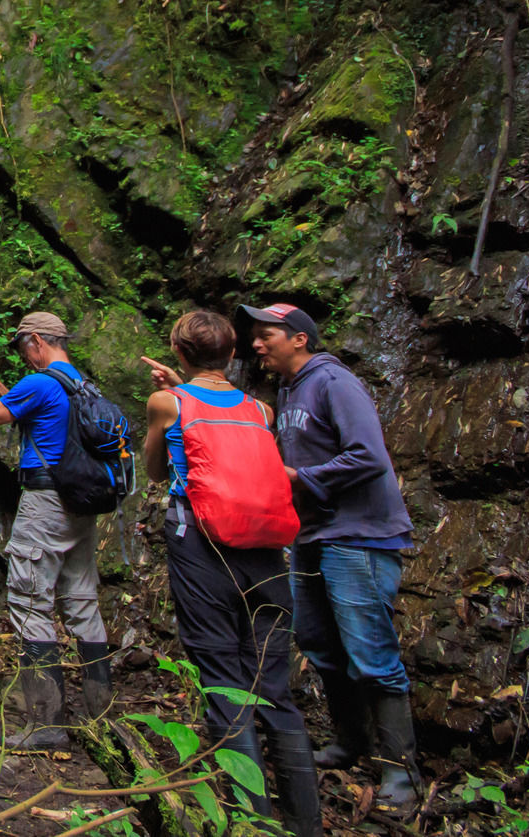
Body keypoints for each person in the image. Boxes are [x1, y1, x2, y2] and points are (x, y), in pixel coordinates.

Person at [141, 311, 321, 836]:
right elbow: (221, 416)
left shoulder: (165, 403)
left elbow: (157, 471)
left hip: (201, 545)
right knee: (273, 683)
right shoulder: (260, 409)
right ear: (234, 354)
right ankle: (306, 824)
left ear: (179, 352)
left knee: (223, 674)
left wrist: (173, 396)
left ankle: (252, 822)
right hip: (265, 550)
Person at [239, 301, 420, 809]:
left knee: (371, 654)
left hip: (358, 536)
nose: (256, 344)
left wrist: (300, 478)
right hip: (314, 536)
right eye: (253, 335)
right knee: (319, 642)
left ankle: (401, 774)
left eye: (266, 334)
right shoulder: (291, 389)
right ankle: (350, 742)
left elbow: (368, 454)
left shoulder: (334, 382)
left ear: (299, 338)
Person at [0, 312, 112, 744]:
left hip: (46, 504)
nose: (23, 357)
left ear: (36, 342)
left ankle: (46, 724)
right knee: (82, 602)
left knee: (30, 601)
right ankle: (102, 716)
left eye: (23, 347)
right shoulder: (76, 383)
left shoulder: (40, 381)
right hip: (80, 506)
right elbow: (31, 414)